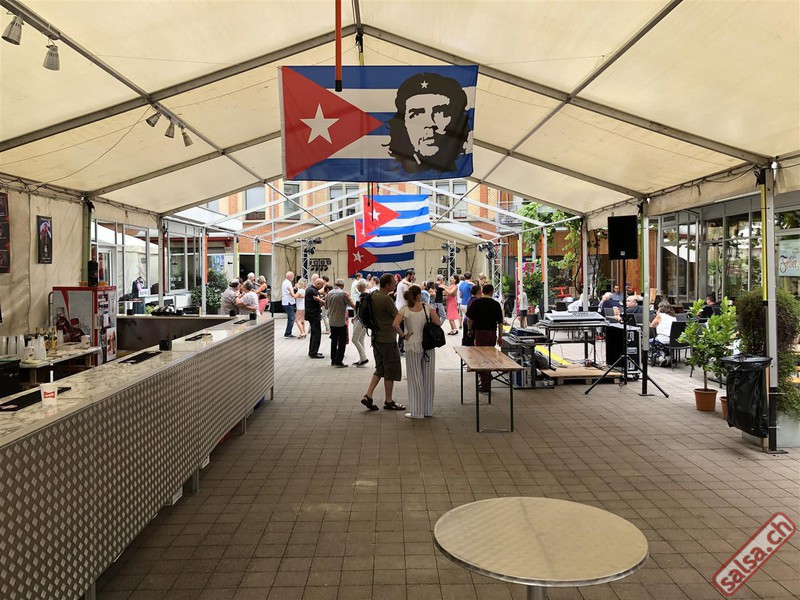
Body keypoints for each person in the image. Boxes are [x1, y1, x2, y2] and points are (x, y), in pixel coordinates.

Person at [385, 72, 471, 174]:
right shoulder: (392, 172)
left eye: (441, 112)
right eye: (416, 114)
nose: (429, 124)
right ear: (403, 125)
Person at [393, 285, 440, 419]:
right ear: (419, 295)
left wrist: (404, 335)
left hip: (412, 344)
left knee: (415, 378)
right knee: (428, 378)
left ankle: (417, 412)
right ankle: (427, 410)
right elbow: (437, 322)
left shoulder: (405, 309)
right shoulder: (427, 307)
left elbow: (394, 324)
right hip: (428, 345)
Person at [359, 273, 406, 412]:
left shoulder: (373, 295)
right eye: (393, 283)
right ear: (387, 285)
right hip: (388, 339)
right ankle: (389, 401)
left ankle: (368, 395)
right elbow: (397, 317)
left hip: (376, 338)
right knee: (390, 370)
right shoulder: (386, 299)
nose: (395, 285)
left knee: (380, 368)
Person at [466, 283, 504, 393]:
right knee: (490, 357)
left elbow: (469, 319)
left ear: (482, 291)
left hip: (480, 333)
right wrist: (500, 337)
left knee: (482, 359)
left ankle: (485, 386)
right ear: (492, 292)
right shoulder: (496, 304)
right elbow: (500, 323)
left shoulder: (476, 303)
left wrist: (469, 329)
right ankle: (487, 380)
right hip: (492, 334)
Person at [326, 279, 353, 368]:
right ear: (343, 286)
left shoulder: (329, 293)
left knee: (333, 341)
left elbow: (326, 306)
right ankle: (339, 361)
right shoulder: (343, 294)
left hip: (332, 321)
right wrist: (349, 297)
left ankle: (333, 360)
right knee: (342, 341)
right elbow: (352, 305)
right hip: (341, 322)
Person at [649, 301, 677, 366]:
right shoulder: (673, 317)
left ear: (660, 308)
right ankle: (668, 357)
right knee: (663, 345)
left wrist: (657, 313)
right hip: (672, 341)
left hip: (662, 340)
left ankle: (659, 358)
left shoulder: (660, 315)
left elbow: (652, 325)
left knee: (647, 342)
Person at [351, 279, 370, 367]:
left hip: (361, 321)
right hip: (365, 320)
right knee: (361, 339)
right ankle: (362, 359)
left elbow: (359, 308)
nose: (357, 288)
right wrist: (355, 317)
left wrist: (356, 317)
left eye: (358, 287)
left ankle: (364, 358)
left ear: (361, 286)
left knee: (354, 339)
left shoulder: (363, 295)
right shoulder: (368, 294)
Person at [395, 271, 415, 353]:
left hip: (400, 307)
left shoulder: (401, 283)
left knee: (402, 328)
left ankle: (400, 346)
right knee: (403, 329)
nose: (413, 278)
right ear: (408, 275)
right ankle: (400, 347)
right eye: (412, 276)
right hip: (403, 308)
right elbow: (408, 297)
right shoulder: (405, 284)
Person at [305, 279, 325, 359]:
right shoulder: (313, 291)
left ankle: (312, 351)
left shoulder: (310, 289)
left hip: (312, 314)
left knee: (314, 333)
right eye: (321, 285)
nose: (322, 287)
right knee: (317, 333)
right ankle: (313, 352)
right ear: (318, 283)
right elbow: (319, 302)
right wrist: (322, 300)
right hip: (314, 315)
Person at [281, 271, 296, 337]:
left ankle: (288, 332)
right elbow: (291, 293)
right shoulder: (288, 283)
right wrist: (297, 296)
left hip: (286, 302)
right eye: (293, 276)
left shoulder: (285, 282)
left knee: (290, 318)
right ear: (289, 276)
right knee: (292, 318)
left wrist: (293, 288)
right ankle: (288, 333)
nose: (293, 277)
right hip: (288, 302)